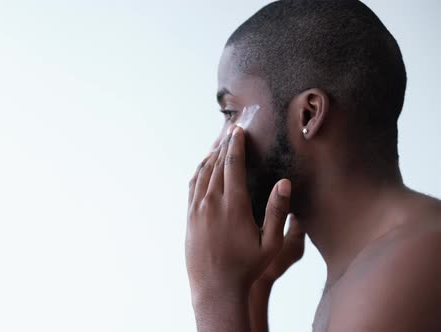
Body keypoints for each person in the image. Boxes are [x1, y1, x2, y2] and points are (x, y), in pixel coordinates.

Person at [185, 1, 441, 331]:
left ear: (309, 114)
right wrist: (251, 289)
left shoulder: (408, 266)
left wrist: (215, 294)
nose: (217, 147)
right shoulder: (381, 260)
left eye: (231, 113)